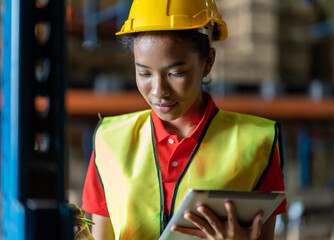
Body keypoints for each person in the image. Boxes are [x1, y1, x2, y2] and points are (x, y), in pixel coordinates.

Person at [79, 0, 287, 239]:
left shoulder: (257, 143)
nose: (159, 90)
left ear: (208, 62)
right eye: (144, 73)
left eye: (175, 73)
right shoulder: (110, 140)